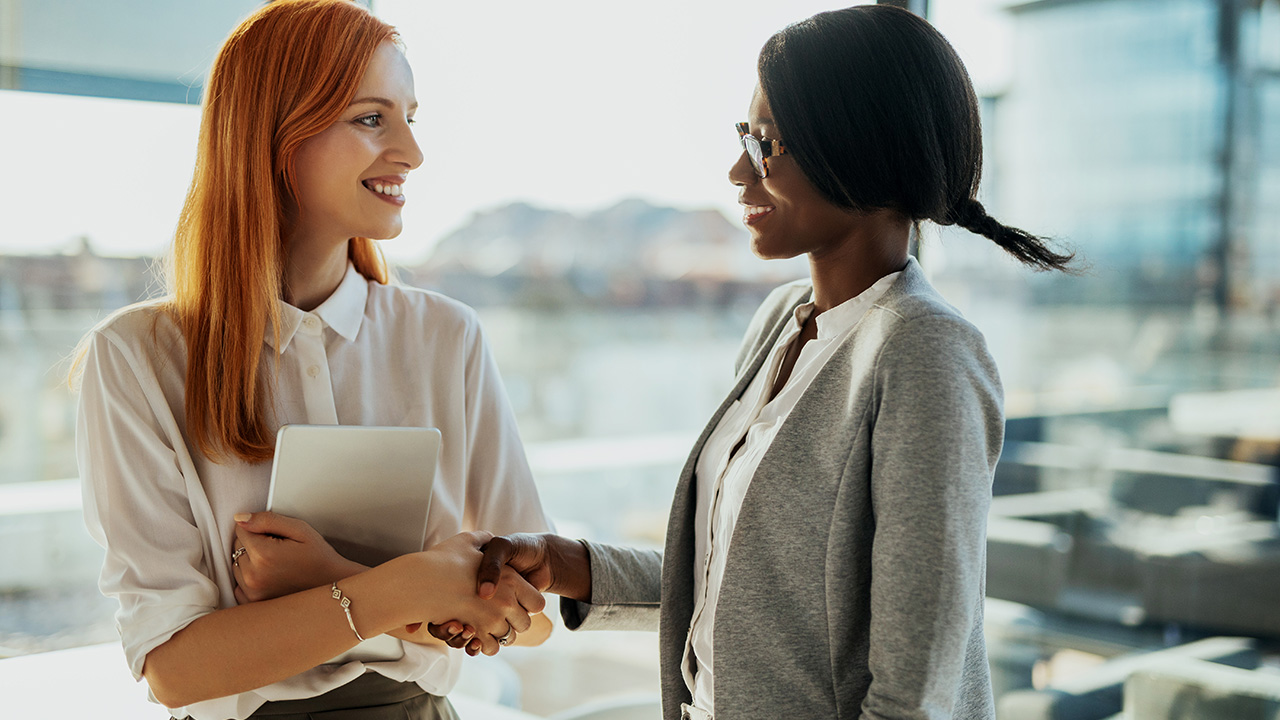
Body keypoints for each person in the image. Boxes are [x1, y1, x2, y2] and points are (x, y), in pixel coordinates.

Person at [455, 5, 1075, 719]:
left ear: (861, 147)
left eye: (766, 144)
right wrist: (569, 565)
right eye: (743, 137)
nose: (736, 171)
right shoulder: (781, 323)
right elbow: (746, 589)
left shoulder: (925, 351)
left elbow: (914, 687)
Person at [72, 2, 551, 718]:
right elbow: (174, 668)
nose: (411, 153)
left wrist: (341, 579)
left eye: (410, 117)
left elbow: (533, 613)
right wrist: (412, 588)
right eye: (371, 119)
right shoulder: (136, 358)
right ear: (273, 134)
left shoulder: (448, 337)